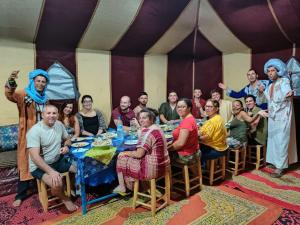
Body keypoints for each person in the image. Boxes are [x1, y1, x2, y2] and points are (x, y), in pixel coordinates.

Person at [4, 69, 49, 207]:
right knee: (25, 163)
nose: (41, 84)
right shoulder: (24, 94)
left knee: (43, 160)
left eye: (43, 81)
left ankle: (43, 187)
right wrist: (11, 80)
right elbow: (10, 95)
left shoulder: (46, 98)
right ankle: (20, 194)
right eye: (38, 81)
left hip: (43, 134)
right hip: (29, 135)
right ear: (33, 81)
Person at [27, 105, 78, 211]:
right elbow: (35, 157)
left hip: (57, 161)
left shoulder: (59, 124)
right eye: (48, 113)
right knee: (57, 182)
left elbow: (67, 138)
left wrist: (66, 146)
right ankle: (65, 198)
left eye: (54, 113)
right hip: (39, 166)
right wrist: (51, 172)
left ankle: (71, 189)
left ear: (58, 115)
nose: (51, 116)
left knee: (79, 170)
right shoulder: (34, 131)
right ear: (42, 115)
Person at [114, 108, 170, 194]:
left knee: (121, 157)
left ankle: (123, 187)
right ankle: (144, 186)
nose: (141, 120)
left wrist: (124, 153)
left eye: (144, 118)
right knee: (133, 156)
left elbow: (139, 154)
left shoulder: (147, 132)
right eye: (140, 118)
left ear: (151, 119)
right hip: (164, 165)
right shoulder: (157, 128)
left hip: (152, 169)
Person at [258, 58, 298, 178]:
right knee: (273, 141)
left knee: (281, 141)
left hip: (282, 117)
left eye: (273, 70)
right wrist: (262, 91)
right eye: (268, 71)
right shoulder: (270, 86)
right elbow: (269, 100)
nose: (270, 73)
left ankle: (280, 167)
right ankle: (275, 163)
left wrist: (289, 93)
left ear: (278, 71)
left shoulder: (284, 81)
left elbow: (286, 91)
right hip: (273, 117)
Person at [167, 98, 200, 163]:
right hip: (193, 151)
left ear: (189, 108)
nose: (180, 109)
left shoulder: (187, 122)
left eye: (183, 107)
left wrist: (167, 149)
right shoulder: (190, 118)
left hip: (186, 155)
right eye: (178, 107)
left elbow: (180, 144)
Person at [199, 99, 228, 164]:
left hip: (216, 149)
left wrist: (194, 138)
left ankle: (200, 171)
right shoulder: (218, 117)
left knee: (193, 152)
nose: (207, 108)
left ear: (216, 109)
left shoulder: (213, 121)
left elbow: (206, 137)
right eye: (206, 106)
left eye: (210, 107)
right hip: (222, 146)